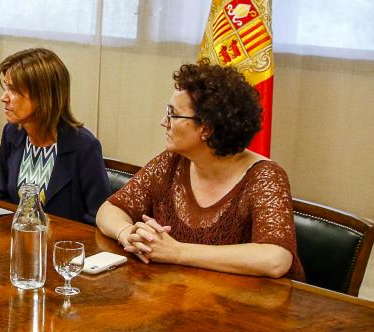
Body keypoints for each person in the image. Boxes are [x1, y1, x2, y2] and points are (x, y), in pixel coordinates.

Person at [96, 63, 302, 279]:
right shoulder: (172, 162)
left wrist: (178, 252)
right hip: (178, 295)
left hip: (247, 306)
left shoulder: (265, 177)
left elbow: (275, 259)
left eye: (173, 115)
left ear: (206, 128)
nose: (163, 122)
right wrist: (128, 235)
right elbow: (109, 210)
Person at [0, 48, 109, 224]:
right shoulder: (11, 134)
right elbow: (4, 198)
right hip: (18, 243)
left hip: (66, 247)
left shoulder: (84, 147)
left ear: (43, 96)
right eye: (6, 87)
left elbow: (98, 218)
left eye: (14, 90)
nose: (4, 97)